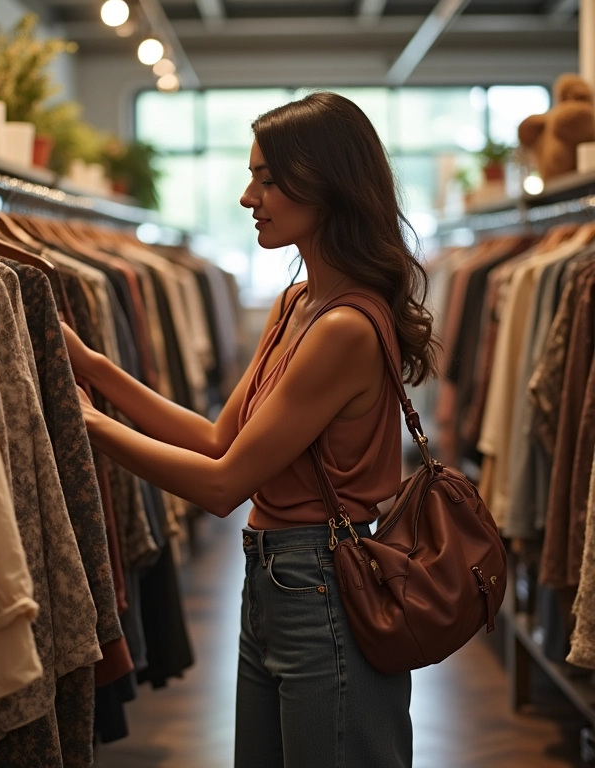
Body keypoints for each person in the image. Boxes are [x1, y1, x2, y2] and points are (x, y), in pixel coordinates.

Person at [63, 91, 438, 768]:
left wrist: (83, 421)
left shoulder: (344, 328)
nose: (247, 196)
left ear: (326, 184)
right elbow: (216, 437)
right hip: (273, 581)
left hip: (324, 585)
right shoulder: (296, 301)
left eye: (266, 179)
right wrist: (92, 368)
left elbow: (221, 484)